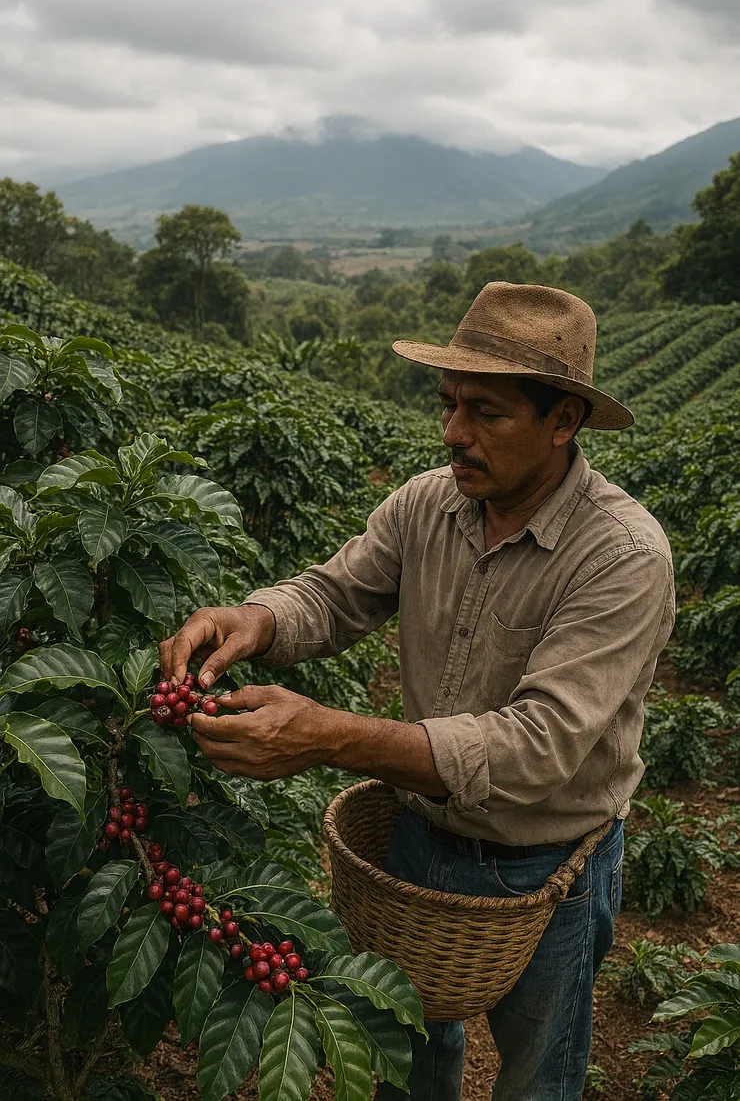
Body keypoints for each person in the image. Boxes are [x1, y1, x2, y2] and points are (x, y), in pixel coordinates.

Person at [159, 282, 675, 1101]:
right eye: (448, 405)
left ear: (563, 421)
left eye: (488, 413)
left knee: (539, 1079)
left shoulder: (621, 556)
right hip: (420, 840)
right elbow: (332, 595)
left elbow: (538, 746)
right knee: (404, 1058)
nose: (453, 434)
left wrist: (330, 736)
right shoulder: (428, 505)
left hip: (545, 876)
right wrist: (254, 619)